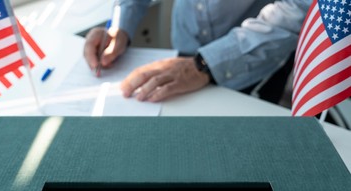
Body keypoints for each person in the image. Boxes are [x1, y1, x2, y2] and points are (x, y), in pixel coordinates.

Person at [84, 0, 311, 103]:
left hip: (254, 58)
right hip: (184, 41)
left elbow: (298, 9)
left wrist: (203, 65)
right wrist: (120, 24)